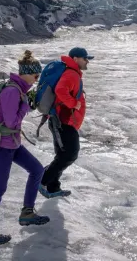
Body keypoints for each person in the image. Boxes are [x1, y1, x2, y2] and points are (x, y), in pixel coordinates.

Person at [0, 51, 51, 245]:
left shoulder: (19, 90)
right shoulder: (12, 91)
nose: (37, 79)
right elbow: (11, 122)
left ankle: (27, 213)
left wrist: (26, 102)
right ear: (26, 73)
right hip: (1, 145)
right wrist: (26, 106)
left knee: (37, 170)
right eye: (36, 75)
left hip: (12, 143)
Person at [39, 47, 93, 198]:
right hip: (63, 121)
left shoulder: (71, 73)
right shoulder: (71, 74)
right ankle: (42, 180)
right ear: (75, 59)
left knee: (62, 154)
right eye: (85, 58)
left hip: (61, 120)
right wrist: (73, 104)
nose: (87, 61)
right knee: (70, 154)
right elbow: (61, 90)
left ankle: (53, 187)